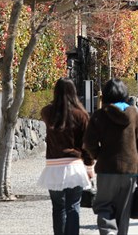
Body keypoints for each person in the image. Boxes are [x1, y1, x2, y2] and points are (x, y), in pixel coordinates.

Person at [83, 79, 138, 235]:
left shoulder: (99, 115)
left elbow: (88, 142)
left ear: (105, 95)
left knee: (104, 206)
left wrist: (98, 155)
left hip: (106, 169)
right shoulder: (134, 115)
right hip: (130, 170)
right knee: (124, 211)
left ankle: (108, 232)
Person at [37, 78, 94, 235]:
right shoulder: (81, 115)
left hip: (53, 167)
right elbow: (87, 144)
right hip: (74, 166)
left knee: (58, 208)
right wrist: (89, 166)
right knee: (73, 206)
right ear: (73, 92)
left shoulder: (47, 112)